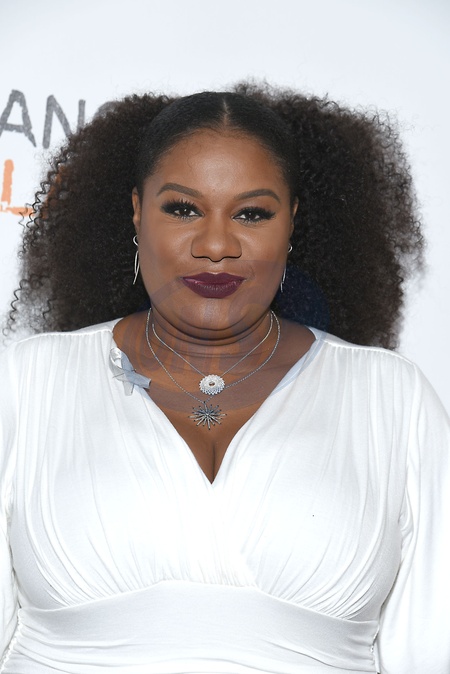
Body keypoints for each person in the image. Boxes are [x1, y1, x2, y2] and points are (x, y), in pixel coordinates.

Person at [0, 83, 449, 674]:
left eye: (251, 214)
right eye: (183, 209)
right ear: (137, 211)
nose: (216, 245)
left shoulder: (393, 400)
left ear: (292, 222)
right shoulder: (26, 384)